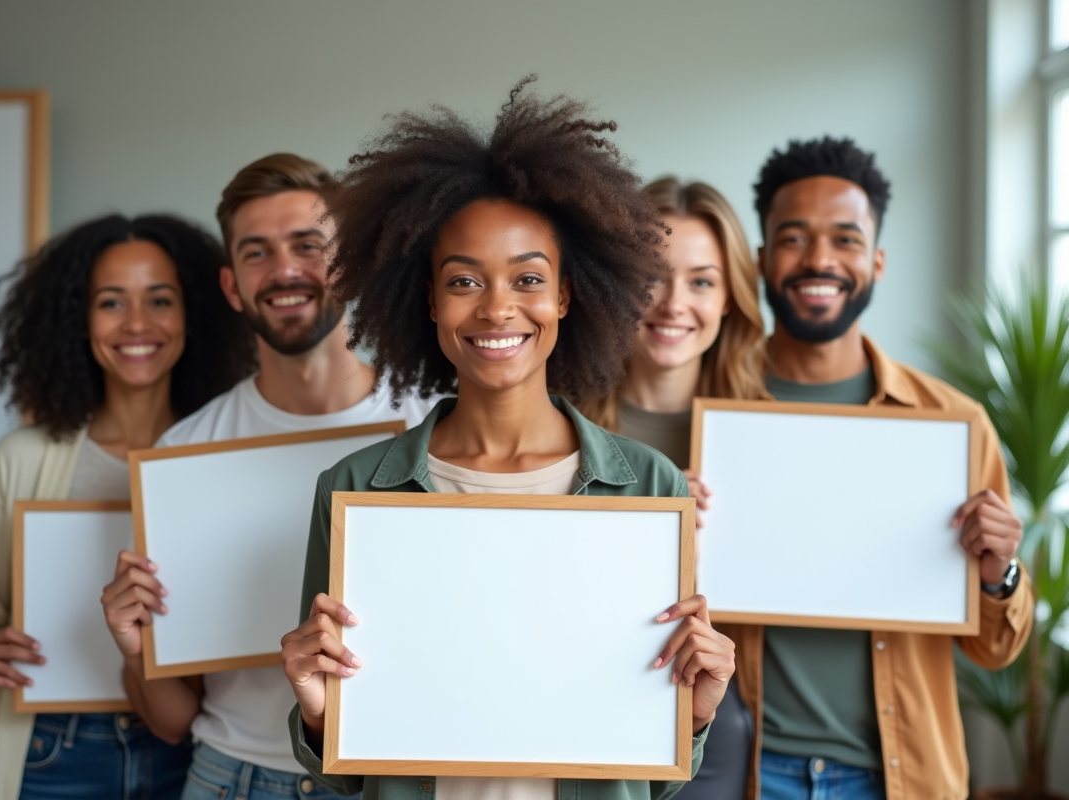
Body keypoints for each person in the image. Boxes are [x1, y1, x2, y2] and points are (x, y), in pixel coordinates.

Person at [279, 77, 736, 800]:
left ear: (565, 295)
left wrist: (697, 711)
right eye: (464, 282)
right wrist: (314, 714)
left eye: (527, 278)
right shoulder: (353, 491)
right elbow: (347, 768)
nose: (497, 309)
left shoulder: (651, 488)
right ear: (428, 298)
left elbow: (647, 775)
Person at [100, 154, 434, 800]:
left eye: (308, 246)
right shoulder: (186, 452)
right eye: (258, 253)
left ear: (351, 265)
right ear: (231, 287)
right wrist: (133, 645)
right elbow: (171, 721)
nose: (284, 270)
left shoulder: (433, 425)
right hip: (231, 777)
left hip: (386, 779)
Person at [724, 136, 1035, 800]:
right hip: (747, 773)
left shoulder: (952, 424)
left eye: (845, 239)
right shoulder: (710, 413)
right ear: (760, 258)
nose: (819, 261)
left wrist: (997, 572)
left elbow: (995, 651)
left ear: (877, 260)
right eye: (794, 238)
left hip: (900, 775)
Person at [0, 214, 256, 800]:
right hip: (48, 751)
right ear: (78, 320)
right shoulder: (21, 458)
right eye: (111, 303)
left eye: (159, 299)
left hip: (191, 751)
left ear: (192, 313)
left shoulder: (222, 457)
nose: (137, 323)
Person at [579, 176, 764, 800]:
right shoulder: (554, 422)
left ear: (731, 298)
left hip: (713, 724)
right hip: (582, 710)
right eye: (654, 276)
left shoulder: (768, 435)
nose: (673, 302)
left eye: (702, 281)